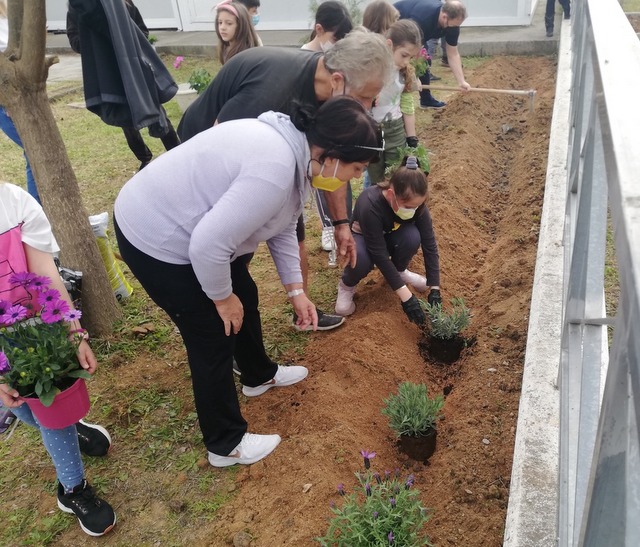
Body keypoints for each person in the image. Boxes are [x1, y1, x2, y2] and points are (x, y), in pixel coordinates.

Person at [114, 96, 382, 467]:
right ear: (332, 153)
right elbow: (207, 246)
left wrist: (296, 291)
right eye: (355, 168)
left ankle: (258, 375)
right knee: (211, 332)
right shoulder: (273, 167)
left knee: (246, 293)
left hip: (200, 228)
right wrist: (221, 298)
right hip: (157, 234)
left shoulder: (299, 156)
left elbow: (284, 225)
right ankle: (225, 444)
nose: (354, 177)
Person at [177, 29, 393, 331]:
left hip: (270, 158)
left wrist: (340, 224)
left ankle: (302, 311)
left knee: (292, 231)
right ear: (338, 81)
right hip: (211, 154)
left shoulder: (333, 100)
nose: (367, 107)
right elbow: (221, 145)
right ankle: (218, 317)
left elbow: (334, 166)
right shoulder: (272, 90)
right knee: (230, 244)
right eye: (366, 97)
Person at [0, 182, 116, 537]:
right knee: (22, 405)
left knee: (48, 407)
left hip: (35, 331)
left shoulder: (14, 202)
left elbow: (46, 274)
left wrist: (74, 331)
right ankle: (66, 428)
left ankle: (72, 490)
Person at [66, 0, 180, 171]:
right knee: (126, 118)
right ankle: (145, 159)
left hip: (133, 65)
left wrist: (130, 45)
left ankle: (178, 152)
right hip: (109, 71)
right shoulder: (79, 8)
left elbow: (141, 29)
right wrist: (96, 45)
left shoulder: (122, 3)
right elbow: (74, 39)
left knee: (155, 110)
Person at [335, 156, 442, 323]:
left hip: (390, 235)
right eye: (408, 207)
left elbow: (430, 245)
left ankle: (400, 271)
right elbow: (378, 253)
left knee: (412, 237)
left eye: (416, 206)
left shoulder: (417, 205)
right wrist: (407, 297)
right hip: (364, 238)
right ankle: (346, 286)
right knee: (361, 257)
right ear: (391, 194)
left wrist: (435, 288)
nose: (413, 210)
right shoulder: (370, 204)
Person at [301, 1, 353, 259]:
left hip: (333, 133)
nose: (338, 45)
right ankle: (328, 226)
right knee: (321, 180)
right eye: (336, 38)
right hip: (313, 137)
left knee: (341, 177)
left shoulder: (335, 61)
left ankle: (344, 220)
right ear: (319, 29)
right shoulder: (304, 60)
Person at [366, 19, 422, 188]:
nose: (406, 61)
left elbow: (407, 105)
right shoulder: (371, 69)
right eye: (404, 55)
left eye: (410, 57)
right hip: (372, 129)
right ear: (389, 45)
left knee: (395, 175)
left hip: (395, 128)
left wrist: (411, 137)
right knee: (376, 178)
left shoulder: (404, 74)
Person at [394, 0, 471, 109]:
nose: (454, 29)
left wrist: (461, 81)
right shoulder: (423, 18)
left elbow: (453, 54)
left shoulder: (453, 24)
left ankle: (426, 99)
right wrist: (414, 76)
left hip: (416, 32)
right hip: (396, 23)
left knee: (425, 61)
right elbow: (409, 48)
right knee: (400, 63)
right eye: (453, 26)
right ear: (444, 17)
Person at [0, 0, 40, 203]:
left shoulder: (8, 13)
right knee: (34, 151)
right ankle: (38, 209)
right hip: (7, 99)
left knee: (35, 152)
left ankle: (39, 209)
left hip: (23, 93)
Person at [214, 0, 260, 65]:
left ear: (241, 25)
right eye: (220, 22)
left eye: (229, 23)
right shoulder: (225, 47)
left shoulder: (247, 55)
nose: (222, 27)